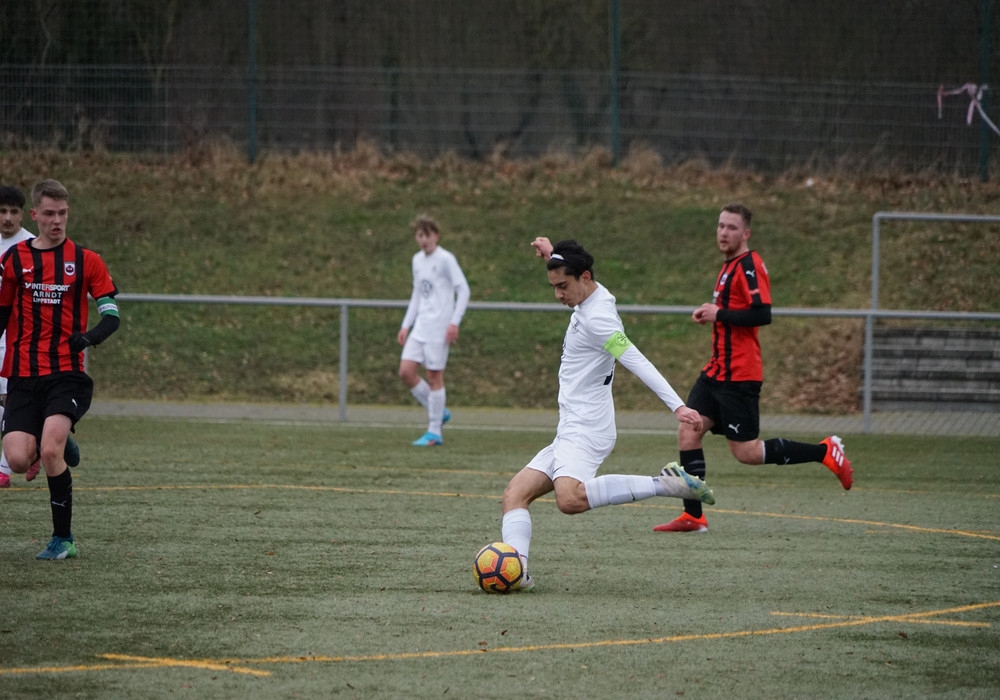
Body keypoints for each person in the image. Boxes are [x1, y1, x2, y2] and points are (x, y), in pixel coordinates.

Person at [499, 237, 716, 591]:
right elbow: (572, 270)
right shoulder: (591, 296)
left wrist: (677, 405)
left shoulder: (599, 319)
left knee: (570, 499)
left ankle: (666, 484)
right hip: (571, 426)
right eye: (554, 287)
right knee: (514, 495)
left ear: (585, 277)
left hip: (587, 427)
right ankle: (518, 573)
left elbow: (636, 360)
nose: (558, 295)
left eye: (563, 286)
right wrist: (552, 252)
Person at [654, 202, 853, 534]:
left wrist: (719, 314)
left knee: (746, 452)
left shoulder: (750, 265)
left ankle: (825, 451)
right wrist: (711, 313)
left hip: (740, 376)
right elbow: (732, 311)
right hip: (716, 372)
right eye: (721, 226)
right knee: (688, 429)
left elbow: (763, 313)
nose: (724, 232)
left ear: (746, 233)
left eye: (731, 227)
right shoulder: (728, 266)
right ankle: (693, 515)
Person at [0, 179, 120, 559]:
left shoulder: (87, 260)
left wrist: (89, 337)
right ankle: (54, 435)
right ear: (35, 215)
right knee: (17, 459)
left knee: (51, 452)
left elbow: (112, 315)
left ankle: (63, 539)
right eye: (49, 214)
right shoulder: (14, 259)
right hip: (23, 374)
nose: (57, 220)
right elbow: (2, 313)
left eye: (63, 213)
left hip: (66, 374)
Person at [397, 215, 470, 446]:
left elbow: (463, 289)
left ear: (436, 236)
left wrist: (454, 322)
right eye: (420, 235)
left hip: (439, 327)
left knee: (434, 376)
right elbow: (417, 294)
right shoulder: (417, 260)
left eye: (427, 235)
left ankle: (434, 432)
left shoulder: (446, 259)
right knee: (406, 371)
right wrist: (406, 325)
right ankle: (438, 411)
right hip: (421, 326)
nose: (423, 240)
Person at [0, 185, 37, 488]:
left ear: (23, 214)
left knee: (7, 398)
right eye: (2, 211)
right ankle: (34, 442)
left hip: (15, 335)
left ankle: (4, 468)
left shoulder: (31, 245)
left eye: (13, 211)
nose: (8, 218)